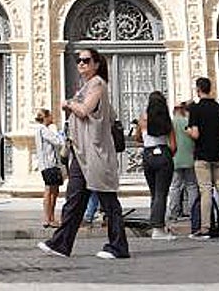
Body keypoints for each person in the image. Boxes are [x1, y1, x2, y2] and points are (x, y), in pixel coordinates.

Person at [38, 47, 130, 260]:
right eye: (78, 60)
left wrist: (68, 103)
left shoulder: (97, 83)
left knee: (108, 201)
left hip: (95, 153)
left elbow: (85, 110)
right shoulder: (86, 86)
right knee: (74, 199)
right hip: (81, 153)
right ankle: (61, 244)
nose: (81, 64)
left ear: (96, 64)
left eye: (86, 60)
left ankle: (119, 247)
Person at [187, 77, 219, 239]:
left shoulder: (196, 109)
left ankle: (205, 227)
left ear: (198, 90)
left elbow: (196, 133)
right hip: (218, 154)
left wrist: (188, 131)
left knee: (206, 190)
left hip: (202, 155)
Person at [137, 91, 177, 240]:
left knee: (154, 193)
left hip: (147, 155)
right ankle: (158, 228)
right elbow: (173, 145)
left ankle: (155, 224)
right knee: (161, 193)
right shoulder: (166, 121)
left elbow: (137, 137)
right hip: (163, 154)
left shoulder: (143, 119)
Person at [167, 102, 200, 234]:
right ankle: (193, 212)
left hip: (175, 158)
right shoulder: (187, 122)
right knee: (191, 186)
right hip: (189, 158)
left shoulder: (171, 123)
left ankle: (173, 213)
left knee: (175, 186)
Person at [34, 108, 65, 228]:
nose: (52, 118)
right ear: (46, 117)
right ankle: (48, 218)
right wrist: (57, 132)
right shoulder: (43, 130)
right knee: (50, 191)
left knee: (54, 191)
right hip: (49, 164)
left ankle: (51, 217)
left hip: (50, 164)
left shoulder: (42, 130)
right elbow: (57, 141)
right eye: (50, 116)